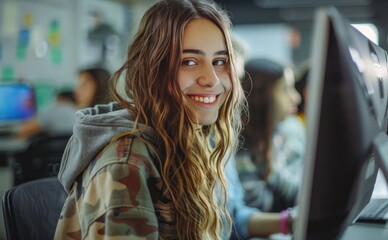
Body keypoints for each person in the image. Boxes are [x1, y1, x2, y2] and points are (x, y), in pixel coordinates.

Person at [54, 1, 293, 239]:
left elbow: (226, 221)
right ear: (153, 70)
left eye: (220, 62)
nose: (211, 79)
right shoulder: (127, 164)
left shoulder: (194, 139)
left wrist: (289, 222)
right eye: (189, 61)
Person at [236, 58, 302, 213]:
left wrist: (270, 172)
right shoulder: (243, 148)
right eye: (286, 90)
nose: (296, 98)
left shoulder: (276, 135)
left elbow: (297, 193)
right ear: (262, 96)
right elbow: (261, 205)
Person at [15, 67, 111, 138]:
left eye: (84, 85)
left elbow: (20, 132)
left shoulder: (62, 112)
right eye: (78, 84)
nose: (77, 90)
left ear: (100, 87)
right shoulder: (109, 122)